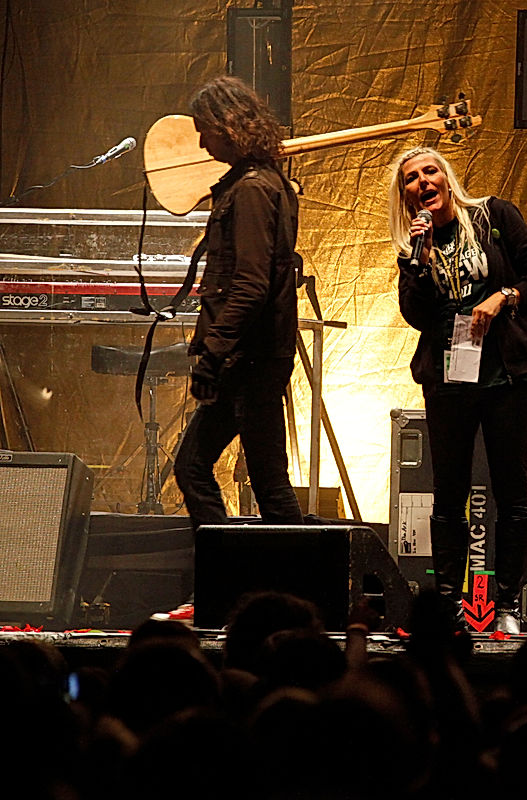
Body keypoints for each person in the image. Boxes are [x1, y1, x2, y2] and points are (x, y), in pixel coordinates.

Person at [389, 146, 527, 634]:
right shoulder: (412, 250)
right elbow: (416, 315)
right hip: (449, 379)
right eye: (412, 179)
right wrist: (419, 262)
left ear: (447, 178)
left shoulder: (493, 216)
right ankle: (449, 607)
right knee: (448, 493)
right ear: (405, 196)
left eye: (430, 171)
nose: (423, 182)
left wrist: (504, 296)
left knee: (512, 490)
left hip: (507, 375)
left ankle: (507, 605)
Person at [172, 76, 304, 616]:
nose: (203, 143)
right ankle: (271, 591)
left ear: (228, 126)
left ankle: (262, 590)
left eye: (205, 131)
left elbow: (249, 284)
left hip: (247, 358)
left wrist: (212, 352)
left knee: (241, 476)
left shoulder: (251, 190)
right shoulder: (264, 183)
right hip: (252, 356)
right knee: (256, 477)